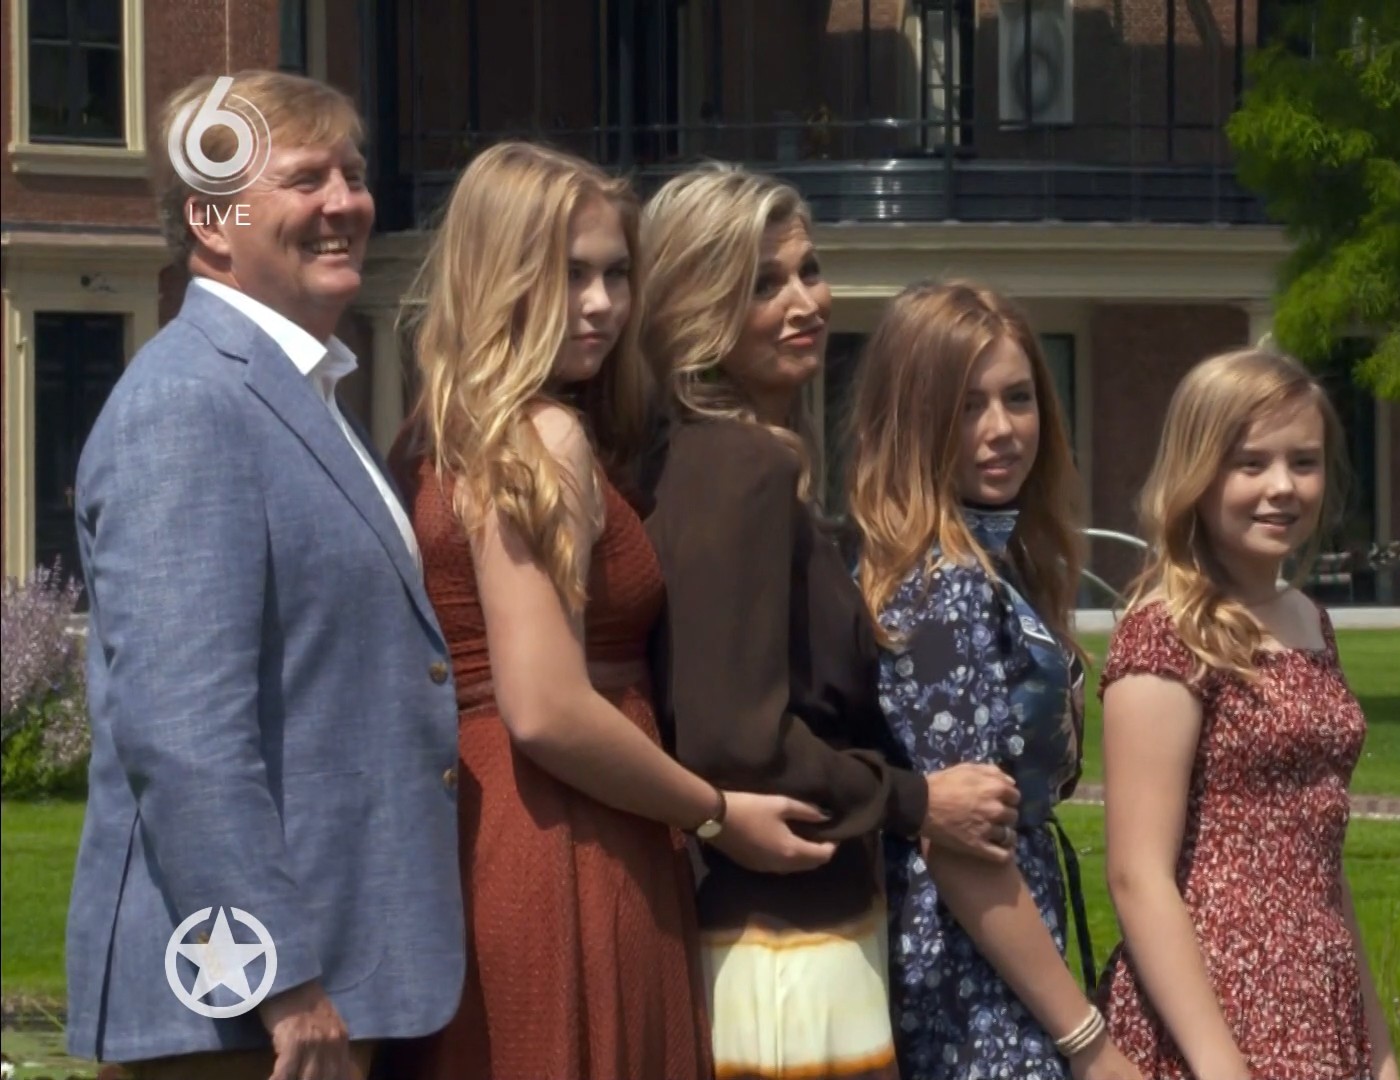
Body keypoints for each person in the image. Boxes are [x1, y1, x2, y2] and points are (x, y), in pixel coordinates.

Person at [382, 141, 836, 1080]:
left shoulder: (434, 431)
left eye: (616, 273)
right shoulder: (539, 436)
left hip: (488, 822)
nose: (600, 304)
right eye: (568, 274)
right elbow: (546, 707)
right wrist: (717, 813)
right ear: (498, 275)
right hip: (567, 836)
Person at [64, 70, 461, 1080]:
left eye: (354, 175)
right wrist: (276, 977)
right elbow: (182, 730)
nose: (345, 203)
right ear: (211, 221)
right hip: (241, 1020)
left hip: (337, 980)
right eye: (305, 179)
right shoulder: (188, 406)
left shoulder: (303, 397)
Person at [632, 165, 1022, 1080]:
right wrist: (916, 800)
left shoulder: (713, 460)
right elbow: (736, 742)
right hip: (782, 939)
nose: (804, 302)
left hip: (781, 921)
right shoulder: (736, 469)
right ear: (695, 305)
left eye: (808, 270)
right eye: (762, 284)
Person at [846, 280, 1142, 1080]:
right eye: (966, 407)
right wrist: (1089, 1043)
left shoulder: (990, 563)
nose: (1001, 429)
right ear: (911, 420)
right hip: (970, 988)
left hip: (997, 960)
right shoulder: (948, 587)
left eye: (1018, 397)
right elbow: (963, 847)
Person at [1098, 348, 1400, 1080]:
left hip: (1318, 998)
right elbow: (1137, 875)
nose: (1282, 487)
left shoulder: (1309, 621)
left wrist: (1379, 1048)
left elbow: (1320, 859)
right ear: (1198, 472)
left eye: (1304, 462)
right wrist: (1220, 1065)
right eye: (1251, 464)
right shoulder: (1168, 631)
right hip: (1213, 1007)